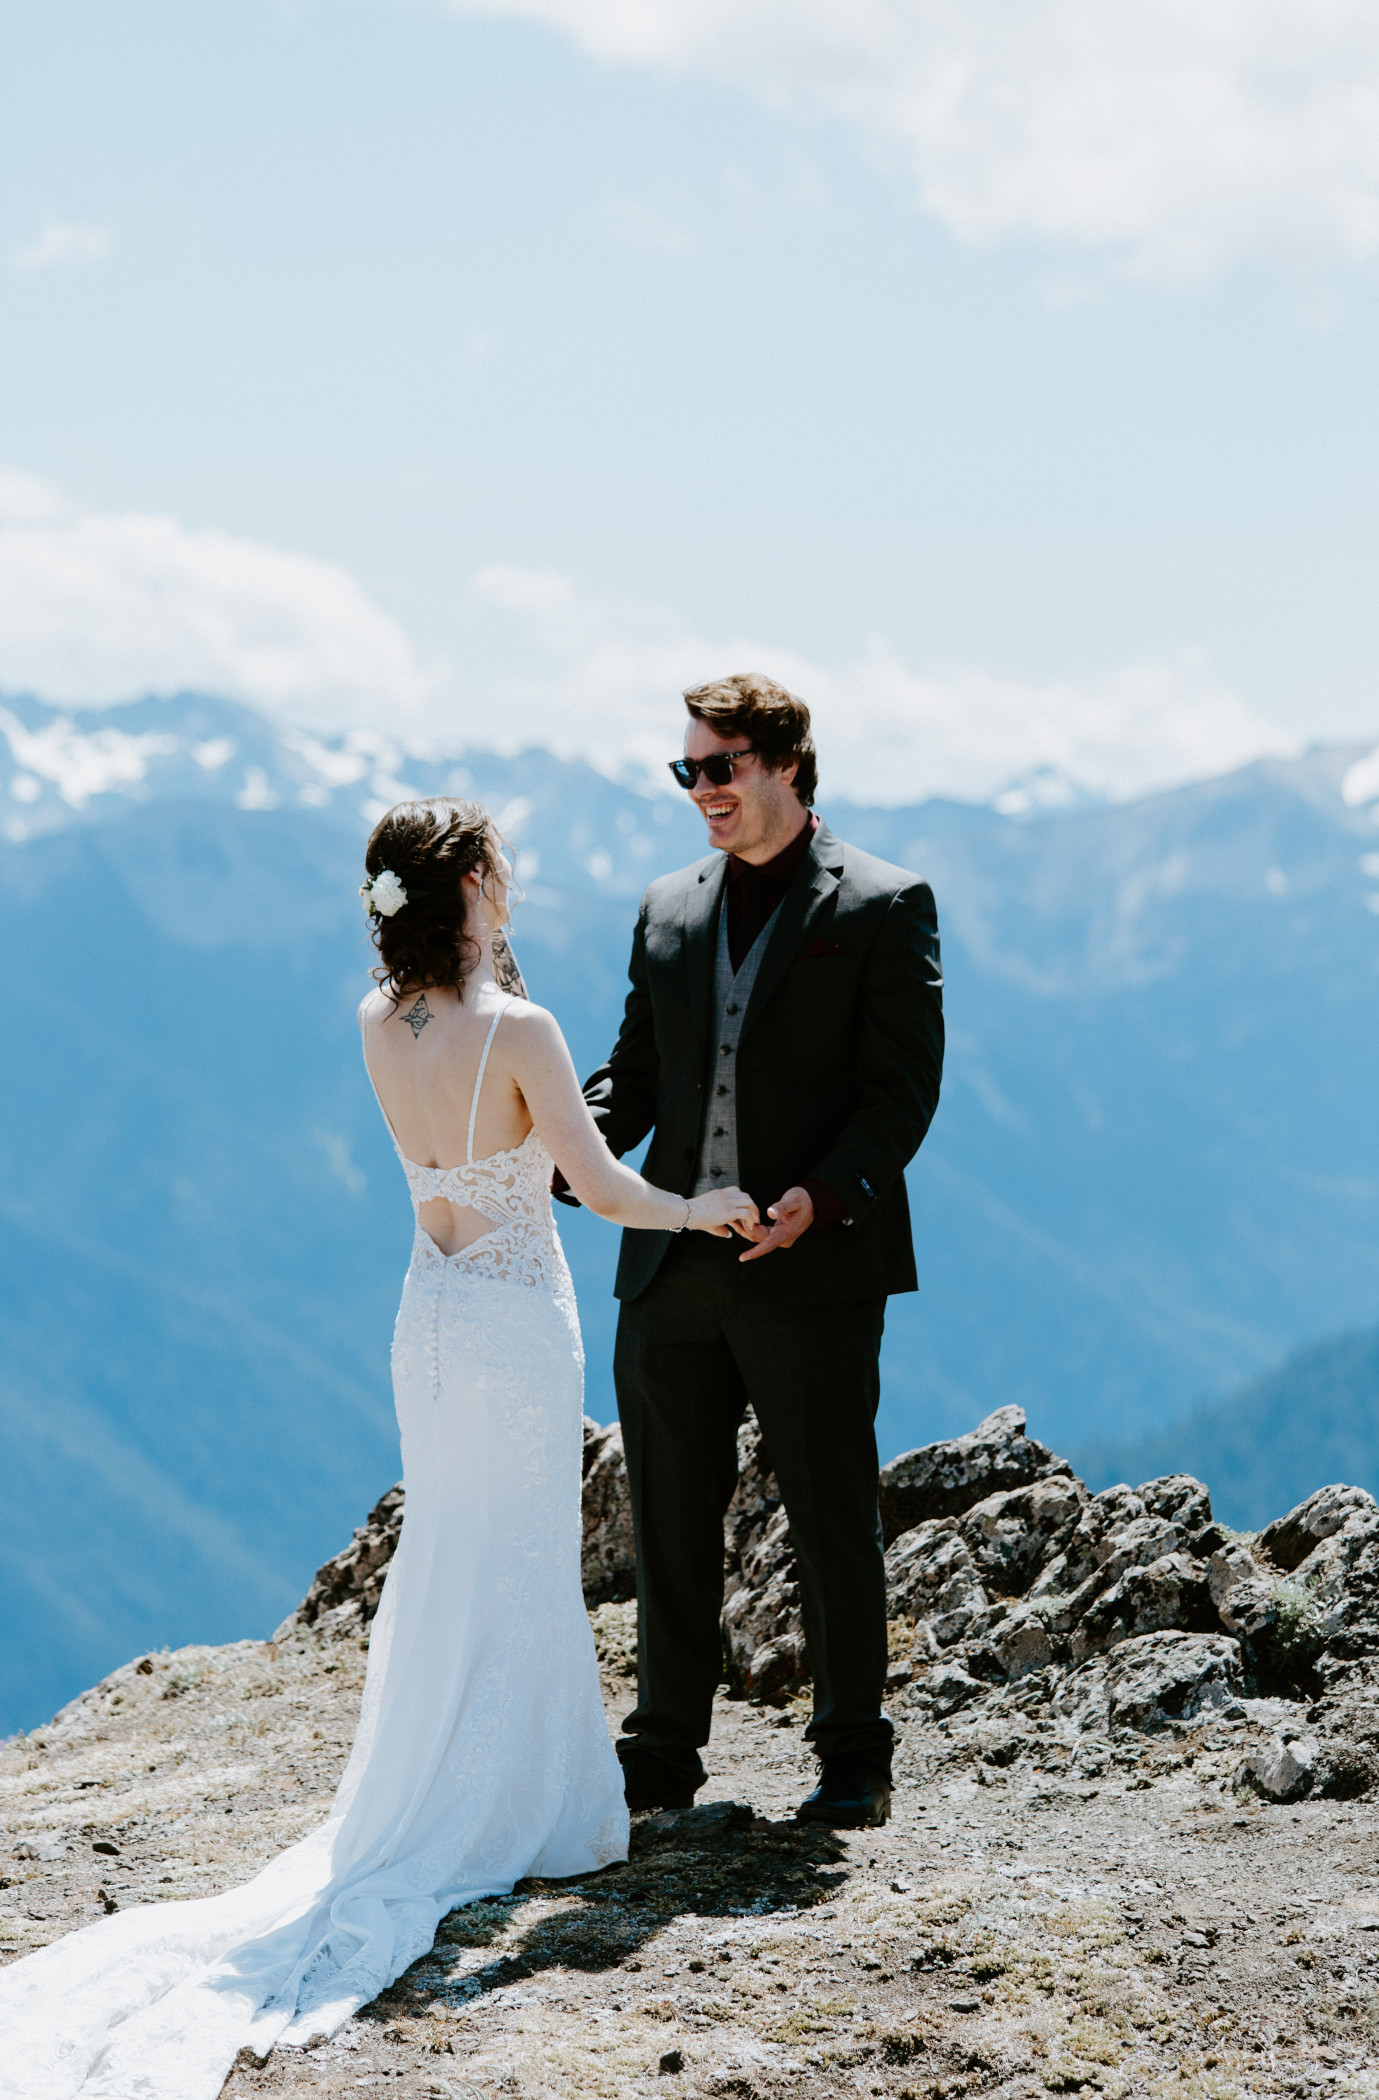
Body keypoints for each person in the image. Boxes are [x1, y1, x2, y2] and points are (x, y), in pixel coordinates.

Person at [0, 797, 758, 2100]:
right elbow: (595, 1185)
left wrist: (475, 962)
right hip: (519, 1325)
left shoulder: (375, 1026)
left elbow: (452, 1096)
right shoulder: (522, 1031)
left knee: (453, 1547)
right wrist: (704, 1210)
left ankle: (439, 1788)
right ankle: (526, 1807)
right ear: (470, 883)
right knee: (519, 1553)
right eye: (498, 875)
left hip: (428, 1317)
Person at [566, 674, 944, 1830]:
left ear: (786, 764)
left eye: (718, 768)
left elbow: (902, 1093)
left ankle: (850, 1761)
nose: (700, 792)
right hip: (670, 1267)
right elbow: (632, 1077)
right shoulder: (664, 908)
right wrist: (557, 1148)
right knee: (666, 1519)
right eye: (685, 771)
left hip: (813, 1266)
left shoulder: (883, 902)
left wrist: (821, 1200)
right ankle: (661, 1763)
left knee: (830, 1513)